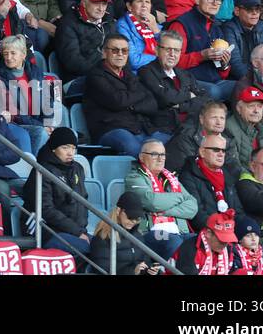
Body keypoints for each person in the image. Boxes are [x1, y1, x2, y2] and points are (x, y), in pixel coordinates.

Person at [85, 35, 173, 156]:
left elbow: (152, 104)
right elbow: (118, 101)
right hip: (111, 129)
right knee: (138, 151)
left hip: (140, 127)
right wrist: (138, 95)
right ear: (104, 53)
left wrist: (132, 106)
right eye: (115, 50)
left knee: (171, 144)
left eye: (125, 51)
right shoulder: (95, 76)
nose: (120, 54)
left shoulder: (129, 74)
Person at [21, 127, 91, 260]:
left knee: (103, 248)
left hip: (72, 232)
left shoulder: (77, 169)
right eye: (65, 147)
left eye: (73, 148)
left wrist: (80, 231)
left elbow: (83, 203)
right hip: (46, 230)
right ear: (54, 148)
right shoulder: (42, 170)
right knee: (90, 249)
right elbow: (46, 210)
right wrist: (77, 232)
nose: (70, 152)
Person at [122, 139, 198, 259]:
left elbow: (193, 207)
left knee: (199, 241)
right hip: (150, 232)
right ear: (142, 157)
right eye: (154, 154)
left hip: (180, 232)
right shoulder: (134, 177)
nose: (160, 158)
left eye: (162, 154)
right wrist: (180, 197)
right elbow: (152, 202)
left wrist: (165, 211)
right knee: (173, 241)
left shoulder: (171, 179)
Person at [225, 85, 263, 175]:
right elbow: (234, 165)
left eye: (259, 106)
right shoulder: (228, 127)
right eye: (251, 106)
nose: (256, 110)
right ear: (239, 108)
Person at [173, 211, 243, 275]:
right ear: (208, 233)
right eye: (222, 240)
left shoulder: (229, 248)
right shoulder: (189, 249)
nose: (225, 244)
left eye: (228, 239)